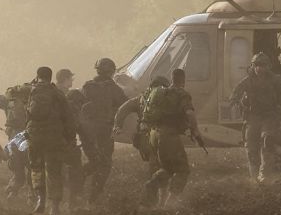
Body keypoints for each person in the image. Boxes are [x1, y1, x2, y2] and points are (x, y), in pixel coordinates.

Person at [141, 68, 204, 207]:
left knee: (168, 168)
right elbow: (190, 114)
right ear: (183, 80)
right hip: (168, 136)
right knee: (183, 170)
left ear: (172, 78)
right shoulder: (181, 94)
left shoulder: (160, 93)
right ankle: (171, 202)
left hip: (154, 134)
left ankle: (152, 184)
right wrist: (196, 131)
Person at [229, 54, 281, 183]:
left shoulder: (275, 80)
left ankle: (265, 176)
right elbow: (237, 91)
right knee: (251, 146)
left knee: (267, 142)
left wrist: (280, 106)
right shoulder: (248, 80)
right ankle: (254, 176)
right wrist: (234, 100)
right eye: (257, 65)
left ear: (268, 67)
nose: (259, 69)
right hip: (253, 117)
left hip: (269, 116)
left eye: (262, 66)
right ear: (253, 66)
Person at [25, 66, 74, 215]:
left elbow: (9, 95)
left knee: (36, 168)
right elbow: (68, 118)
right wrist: (70, 138)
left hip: (34, 136)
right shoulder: (57, 93)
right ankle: (54, 207)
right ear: (51, 77)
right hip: (53, 137)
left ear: (37, 76)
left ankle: (40, 199)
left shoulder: (30, 90)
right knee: (53, 170)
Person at [79, 57, 127, 206]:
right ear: (111, 72)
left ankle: (76, 180)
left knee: (94, 161)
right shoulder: (113, 88)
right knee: (104, 164)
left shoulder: (87, 86)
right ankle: (93, 196)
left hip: (87, 132)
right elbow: (125, 104)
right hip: (104, 131)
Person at [114, 75, 170, 182]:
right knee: (161, 165)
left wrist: (118, 125)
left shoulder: (140, 99)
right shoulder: (167, 99)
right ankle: (154, 188)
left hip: (145, 138)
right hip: (161, 137)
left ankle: (154, 187)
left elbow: (122, 110)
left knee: (155, 164)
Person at [0, 81, 33, 200]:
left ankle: (12, 194)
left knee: (17, 169)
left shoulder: (9, 101)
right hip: (28, 137)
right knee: (31, 167)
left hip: (13, 137)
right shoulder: (32, 100)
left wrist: (9, 94)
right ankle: (32, 196)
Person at [56, 69, 88, 210]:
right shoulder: (66, 96)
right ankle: (73, 201)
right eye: (70, 78)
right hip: (65, 140)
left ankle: (53, 204)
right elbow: (74, 122)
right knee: (75, 169)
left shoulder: (50, 93)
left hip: (50, 138)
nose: (72, 81)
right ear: (64, 79)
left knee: (54, 171)